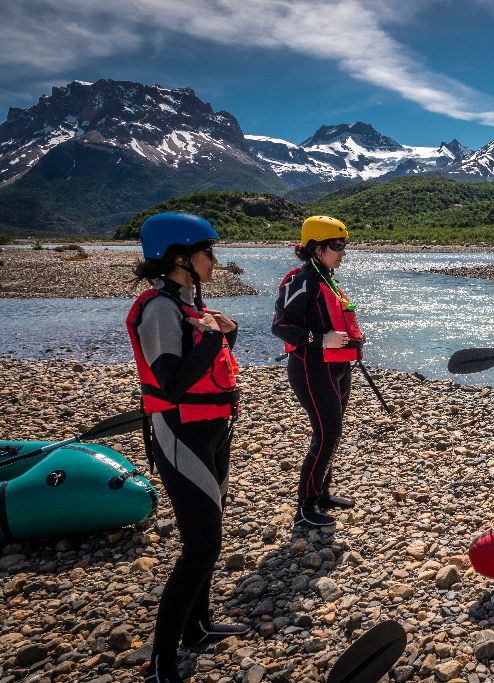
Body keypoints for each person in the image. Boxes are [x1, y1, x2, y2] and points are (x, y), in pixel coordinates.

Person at [126, 212, 249, 683]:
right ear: (181, 258)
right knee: (202, 544)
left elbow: (211, 360)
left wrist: (225, 332)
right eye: (208, 252)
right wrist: (214, 335)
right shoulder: (159, 308)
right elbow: (172, 382)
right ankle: (161, 662)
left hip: (212, 429)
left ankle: (197, 627)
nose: (214, 260)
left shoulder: (185, 302)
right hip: (181, 432)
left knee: (208, 533)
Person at [272, 215, 364, 529]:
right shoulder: (302, 280)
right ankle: (306, 507)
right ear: (317, 248)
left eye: (344, 245)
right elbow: (281, 326)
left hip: (337, 368)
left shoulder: (326, 277)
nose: (343, 252)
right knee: (327, 434)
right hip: (312, 369)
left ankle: (322, 493)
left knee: (332, 433)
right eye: (336, 246)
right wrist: (320, 339)